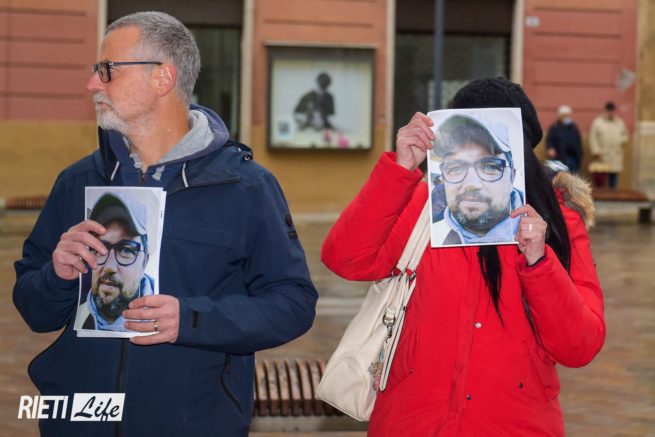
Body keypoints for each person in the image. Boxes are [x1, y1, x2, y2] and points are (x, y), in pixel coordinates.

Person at [13, 11, 317, 436]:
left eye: (107, 70)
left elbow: (293, 304)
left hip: (192, 423)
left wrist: (191, 319)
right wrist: (56, 275)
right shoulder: (77, 180)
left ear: (162, 78)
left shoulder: (246, 187)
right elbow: (34, 310)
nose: (92, 84)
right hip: (80, 420)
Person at [322, 77, 605, 436]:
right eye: (457, 162)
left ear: (517, 162)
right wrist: (399, 170)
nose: (473, 180)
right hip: (413, 422)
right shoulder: (422, 208)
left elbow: (579, 346)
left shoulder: (558, 221)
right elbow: (345, 259)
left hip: (515, 425)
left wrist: (539, 263)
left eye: (490, 164)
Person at [430, 113, 523, 245]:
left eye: (490, 167)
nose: (471, 184)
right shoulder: (425, 237)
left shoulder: (541, 232)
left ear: (512, 177)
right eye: (455, 168)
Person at [77, 192, 154, 331]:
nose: (109, 267)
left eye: (126, 250)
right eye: (99, 249)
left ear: (145, 261)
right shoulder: (74, 314)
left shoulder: (164, 319)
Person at [589, 101, 628, 189]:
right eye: (608, 110)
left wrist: (620, 141)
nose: (610, 113)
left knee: (614, 178)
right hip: (602, 155)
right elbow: (593, 138)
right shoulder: (598, 122)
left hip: (615, 155)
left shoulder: (619, 122)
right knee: (602, 180)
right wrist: (596, 151)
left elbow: (625, 136)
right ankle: (602, 196)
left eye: (612, 111)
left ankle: (613, 194)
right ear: (605, 110)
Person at [546, 105, 583, 174]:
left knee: (574, 175)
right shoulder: (554, 127)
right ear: (560, 116)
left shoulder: (574, 127)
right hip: (561, 157)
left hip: (573, 158)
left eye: (569, 115)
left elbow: (578, 141)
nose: (567, 118)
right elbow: (549, 140)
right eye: (565, 116)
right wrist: (550, 148)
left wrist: (580, 153)